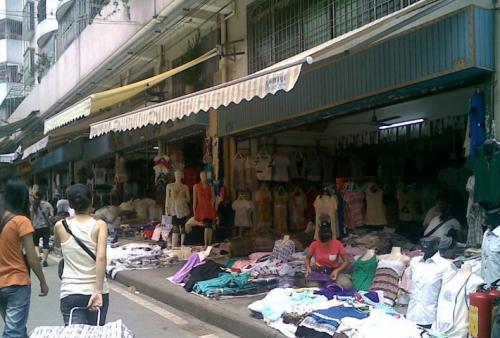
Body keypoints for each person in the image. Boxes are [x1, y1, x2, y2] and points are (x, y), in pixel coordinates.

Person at [53, 184, 109, 326]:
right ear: (91, 202)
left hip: (71, 291)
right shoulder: (99, 225)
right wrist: (98, 290)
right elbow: (101, 258)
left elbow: (57, 245)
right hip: (96, 291)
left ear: (70, 205)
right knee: (96, 334)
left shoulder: (60, 226)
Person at [0, 180, 49, 338]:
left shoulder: (3, 220)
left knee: (17, 329)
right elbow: (32, 258)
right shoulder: (21, 221)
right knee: (14, 332)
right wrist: (42, 281)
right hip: (17, 283)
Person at [305, 221, 352, 288]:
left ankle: (332, 284)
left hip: (334, 270)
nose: (325, 244)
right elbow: (307, 258)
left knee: (347, 284)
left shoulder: (338, 244)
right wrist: (308, 267)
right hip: (319, 271)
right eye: (323, 242)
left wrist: (337, 271)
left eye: (327, 242)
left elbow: (346, 261)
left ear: (331, 237)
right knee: (313, 287)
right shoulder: (314, 244)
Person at [31, 191, 54, 267]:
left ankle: (38, 255)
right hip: (46, 227)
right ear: (44, 196)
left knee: (35, 243)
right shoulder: (48, 204)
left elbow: (31, 216)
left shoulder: (34, 205)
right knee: (46, 243)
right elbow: (52, 216)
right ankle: (45, 260)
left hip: (36, 227)